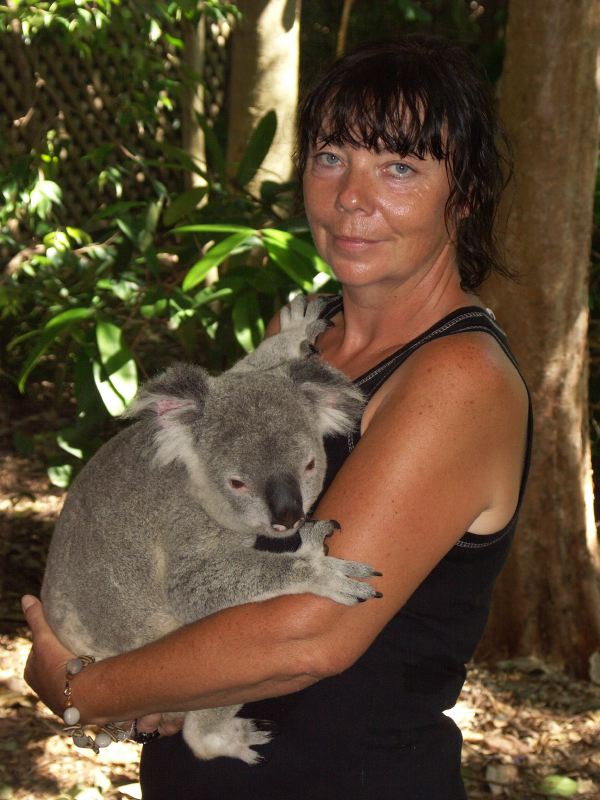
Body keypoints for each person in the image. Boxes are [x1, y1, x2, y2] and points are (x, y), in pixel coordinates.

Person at [22, 35, 532, 799]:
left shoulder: (457, 376)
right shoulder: (301, 333)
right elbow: (210, 541)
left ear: (463, 196)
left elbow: (307, 634)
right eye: (332, 158)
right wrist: (150, 661)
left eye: (399, 168)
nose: (351, 197)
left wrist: (82, 688)